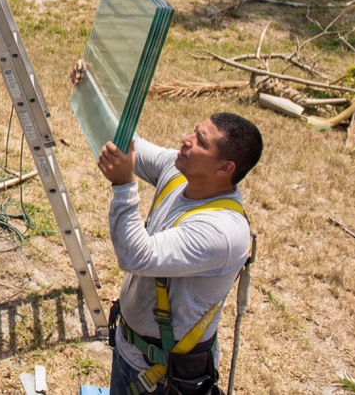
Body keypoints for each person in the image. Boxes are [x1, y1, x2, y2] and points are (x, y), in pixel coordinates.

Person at [94, 102, 263, 394]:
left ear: (225, 168)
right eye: (195, 132)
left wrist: (123, 185)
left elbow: (135, 255)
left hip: (163, 377)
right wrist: (90, 91)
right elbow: (127, 143)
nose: (186, 140)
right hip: (130, 351)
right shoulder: (178, 173)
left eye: (201, 142)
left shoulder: (221, 231)